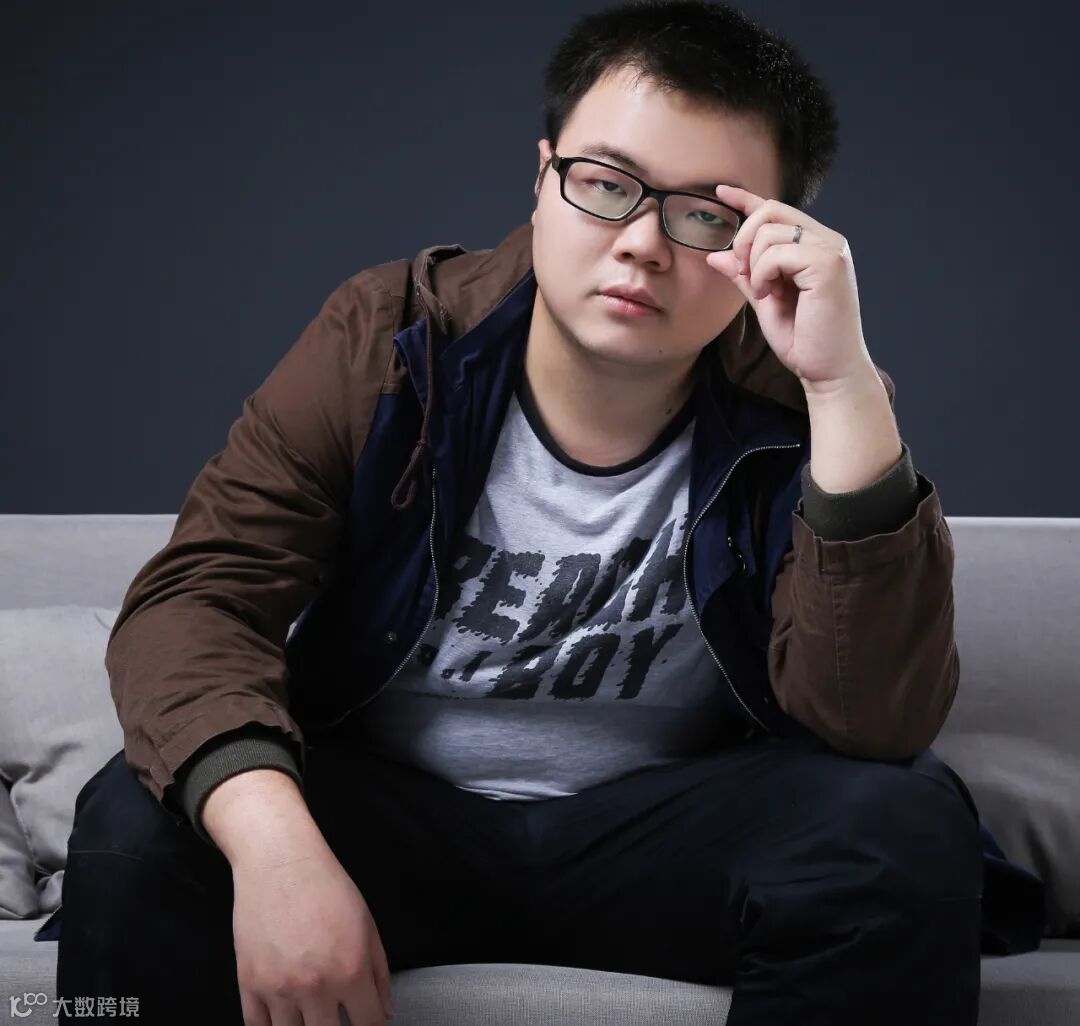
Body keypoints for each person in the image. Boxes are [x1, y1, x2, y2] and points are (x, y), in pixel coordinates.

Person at [51, 2, 1045, 1024]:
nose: (643, 244)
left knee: (896, 824)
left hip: (666, 836)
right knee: (138, 823)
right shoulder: (390, 342)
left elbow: (873, 725)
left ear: (768, 242)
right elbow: (197, 605)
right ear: (543, 177)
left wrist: (843, 389)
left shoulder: (808, 397)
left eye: (706, 215)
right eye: (607, 185)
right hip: (388, 823)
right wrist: (275, 848)